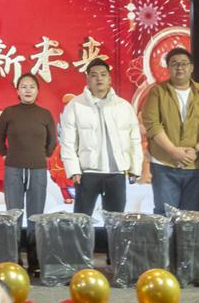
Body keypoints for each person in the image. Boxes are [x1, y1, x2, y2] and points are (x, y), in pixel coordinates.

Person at [60, 58, 144, 216]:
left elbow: (134, 140)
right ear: (87, 79)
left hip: (116, 173)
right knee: (81, 220)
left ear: (109, 79)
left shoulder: (123, 106)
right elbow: (68, 142)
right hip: (87, 173)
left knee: (116, 222)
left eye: (103, 74)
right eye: (94, 75)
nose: (99, 78)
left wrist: (135, 168)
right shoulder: (75, 105)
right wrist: (73, 169)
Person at [141, 47, 199, 214]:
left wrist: (197, 149)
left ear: (191, 67)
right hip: (164, 165)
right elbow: (152, 125)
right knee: (165, 216)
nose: (179, 67)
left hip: (197, 165)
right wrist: (172, 151)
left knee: (193, 217)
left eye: (184, 63)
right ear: (168, 68)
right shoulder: (157, 92)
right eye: (174, 64)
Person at [0, 73, 56, 274]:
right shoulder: (9, 113)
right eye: (23, 86)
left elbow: (52, 141)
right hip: (13, 168)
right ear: (17, 91)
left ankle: (34, 259)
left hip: (38, 169)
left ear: (37, 91)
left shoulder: (45, 114)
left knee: (35, 215)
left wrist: (43, 156)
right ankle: (14, 258)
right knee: (14, 213)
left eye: (31, 87)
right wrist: (5, 155)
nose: (27, 90)